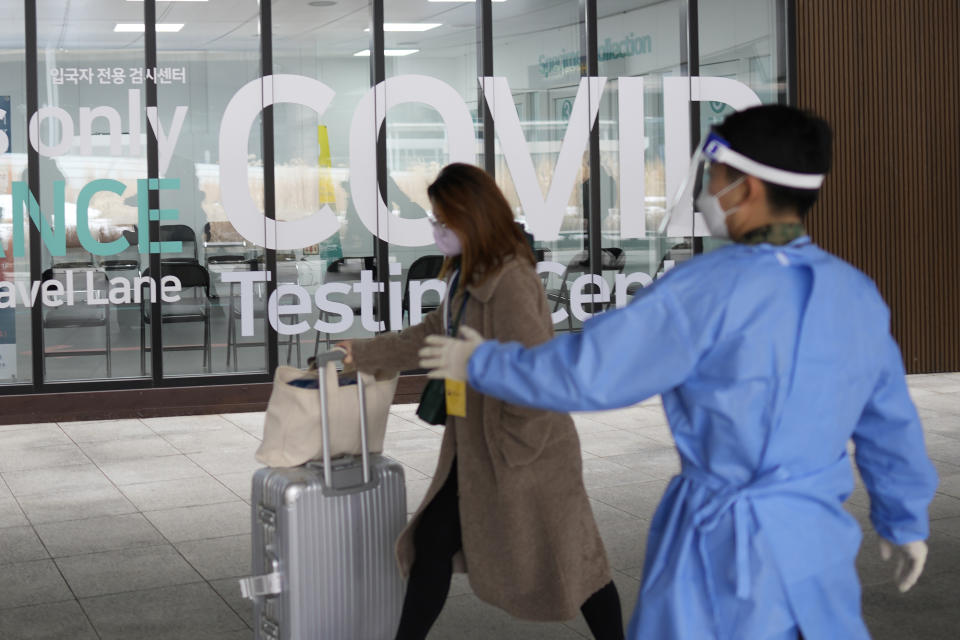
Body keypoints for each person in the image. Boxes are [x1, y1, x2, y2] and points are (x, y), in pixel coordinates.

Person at [418, 105, 938, 640]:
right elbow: (889, 420)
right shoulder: (854, 292)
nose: (705, 192)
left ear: (746, 188)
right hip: (815, 548)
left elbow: (591, 370)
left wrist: (482, 362)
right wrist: (904, 520)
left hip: (718, 552)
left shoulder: (705, 291)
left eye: (712, 178)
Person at [338, 162, 625, 640]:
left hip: (526, 451)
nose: (436, 231)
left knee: (579, 562)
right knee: (432, 543)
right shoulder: (469, 272)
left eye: (442, 222)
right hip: (476, 446)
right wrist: (364, 353)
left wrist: (515, 445)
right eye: (434, 220)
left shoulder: (510, 280)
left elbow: (537, 372)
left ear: (472, 218)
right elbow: (435, 332)